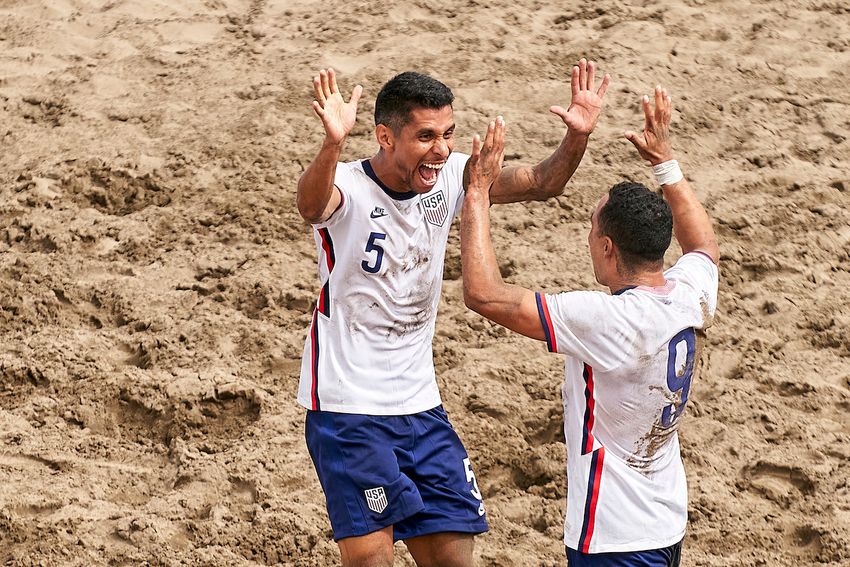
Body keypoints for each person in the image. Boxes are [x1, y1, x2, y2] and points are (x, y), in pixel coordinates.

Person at [295, 61, 610, 567]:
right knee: (372, 559)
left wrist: (577, 136)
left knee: (454, 558)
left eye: (448, 133)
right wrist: (332, 144)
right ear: (385, 136)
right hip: (348, 406)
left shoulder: (450, 178)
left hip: (421, 404)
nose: (441, 149)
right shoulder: (348, 185)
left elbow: (541, 182)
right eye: (426, 136)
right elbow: (311, 206)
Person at [460, 86, 719, 566]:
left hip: (614, 538)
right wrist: (665, 162)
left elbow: (484, 293)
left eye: (592, 228)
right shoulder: (690, 290)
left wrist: (476, 194)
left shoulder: (607, 320)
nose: (588, 236)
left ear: (606, 247)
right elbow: (703, 245)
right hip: (666, 521)